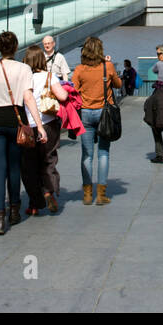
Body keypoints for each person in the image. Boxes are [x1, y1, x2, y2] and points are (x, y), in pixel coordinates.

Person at [0, 31, 46, 235]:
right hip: (16, 121)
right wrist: (39, 126)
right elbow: (28, 98)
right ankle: (14, 210)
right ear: (15, 48)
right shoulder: (24, 69)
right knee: (15, 166)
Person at [70, 36, 120, 205]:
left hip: (85, 113)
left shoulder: (79, 70)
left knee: (87, 154)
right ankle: (101, 194)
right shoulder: (108, 67)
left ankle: (87, 194)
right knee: (104, 152)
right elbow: (118, 84)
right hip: (104, 113)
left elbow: (73, 90)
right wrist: (109, 68)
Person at [20, 43, 67, 216]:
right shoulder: (50, 76)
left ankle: (33, 203)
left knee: (30, 165)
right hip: (49, 123)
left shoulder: (23, 79)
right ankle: (49, 191)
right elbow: (63, 96)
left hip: (28, 127)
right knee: (49, 160)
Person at [145, 44, 163, 163]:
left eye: (158, 54)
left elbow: (154, 70)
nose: (157, 56)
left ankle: (160, 154)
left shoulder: (159, 64)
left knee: (155, 124)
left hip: (160, 96)